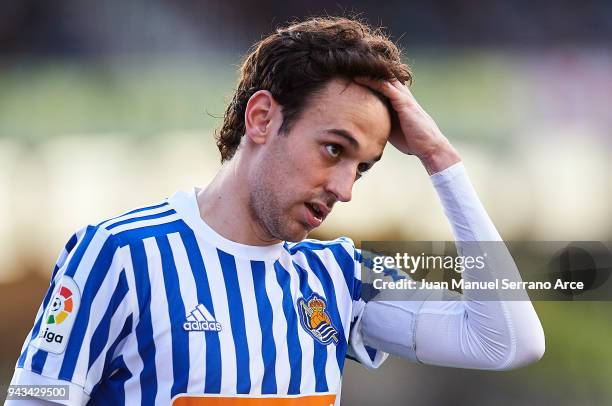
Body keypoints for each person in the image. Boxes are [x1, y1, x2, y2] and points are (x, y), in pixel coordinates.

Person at [7, 16, 544, 406]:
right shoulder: (120, 254)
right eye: (334, 149)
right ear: (262, 118)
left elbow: (508, 342)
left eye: (361, 168)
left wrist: (441, 162)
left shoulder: (339, 276)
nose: (344, 188)